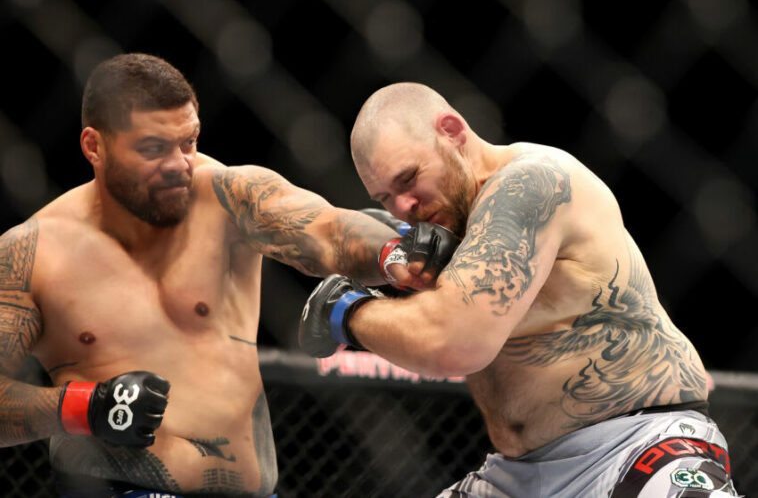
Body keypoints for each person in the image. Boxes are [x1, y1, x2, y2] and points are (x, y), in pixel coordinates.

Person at [0, 55, 457, 498]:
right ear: (94, 147)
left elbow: (324, 227)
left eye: (189, 142)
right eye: (154, 148)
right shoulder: (32, 254)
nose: (180, 164)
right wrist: (84, 406)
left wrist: (394, 252)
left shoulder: (224, 196)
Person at [298, 82, 741, 497]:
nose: (404, 206)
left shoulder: (529, 183)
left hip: (637, 445)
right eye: (385, 197)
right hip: (519, 475)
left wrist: (347, 311)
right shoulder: (441, 226)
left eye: (409, 178)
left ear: (451, 132)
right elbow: (338, 227)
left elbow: (451, 341)